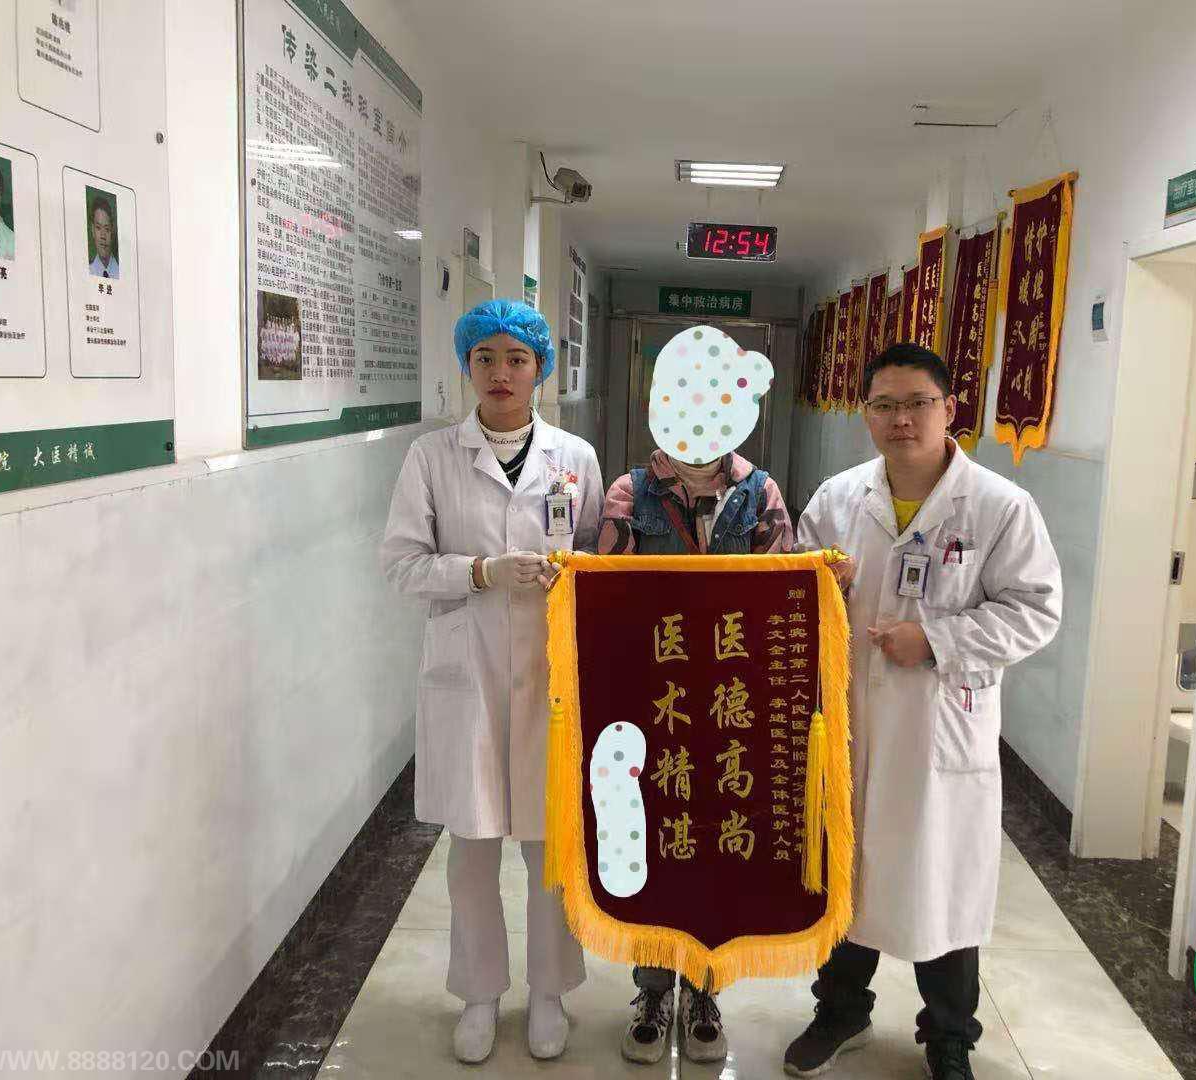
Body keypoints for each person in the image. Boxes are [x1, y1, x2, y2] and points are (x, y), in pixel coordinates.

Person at [786, 343, 1062, 1080]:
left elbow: (1035, 611)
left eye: (917, 403)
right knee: (848, 871)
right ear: (866, 414)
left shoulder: (999, 506)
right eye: (884, 405)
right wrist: (824, 587)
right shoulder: (839, 498)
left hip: (940, 721)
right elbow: (793, 591)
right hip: (852, 719)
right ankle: (839, 1012)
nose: (901, 420)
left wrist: (938, 641)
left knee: (941, 881)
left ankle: (949, 1037)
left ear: (949, 410)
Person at [380, 299, 605, 1066]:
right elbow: (401, 565)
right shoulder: (431, 458)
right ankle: (480, 995)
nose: (501, 373)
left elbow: (597, 560)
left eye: (517, 358)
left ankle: (549, 992)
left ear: (541, 368)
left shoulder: (575, 456)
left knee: (549, 848)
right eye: (485, 358)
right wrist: (481, 572)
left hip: (551, 675)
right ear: (466, 367)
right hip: (467, 672)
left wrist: (574, 575)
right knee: (472, 845)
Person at [598, 324, 791, 1066]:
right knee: (654, 840)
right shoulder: (630, 492)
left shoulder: (760, 493)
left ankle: (706, 989)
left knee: (715, 845)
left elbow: (781, 588)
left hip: (730, 705)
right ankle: (652, 990)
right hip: (653, 701)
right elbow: (606, 588)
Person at [88, 195, 119, 278]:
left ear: (112, 231)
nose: (103, 236)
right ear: (92, 230)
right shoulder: (87, 270)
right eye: (98, 228)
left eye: (107, 229)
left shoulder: (122, 272)